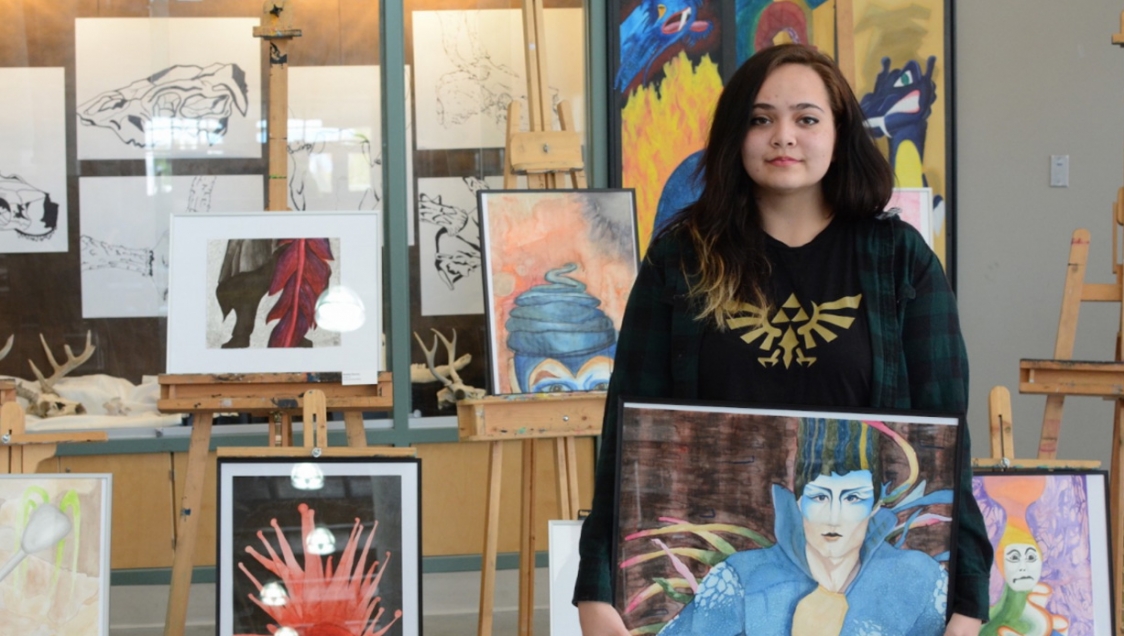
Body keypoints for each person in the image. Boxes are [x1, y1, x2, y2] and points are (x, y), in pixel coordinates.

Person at [573, 43, 993, 636]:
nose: (783, 136)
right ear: (734, 135)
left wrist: (966, 606)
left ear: (839, 132)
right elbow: (627, 438)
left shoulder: (902, 263)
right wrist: (597, 590)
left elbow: (951, 450)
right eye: (761, 118)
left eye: (806, 118)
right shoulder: (682, 261)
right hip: (711, 584)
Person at [658, 419, 948, 636]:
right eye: (819, 496)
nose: (834, 516)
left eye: (853, 498)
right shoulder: (740, 580)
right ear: (798, 500)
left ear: (875, 504)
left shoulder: (920, 580)